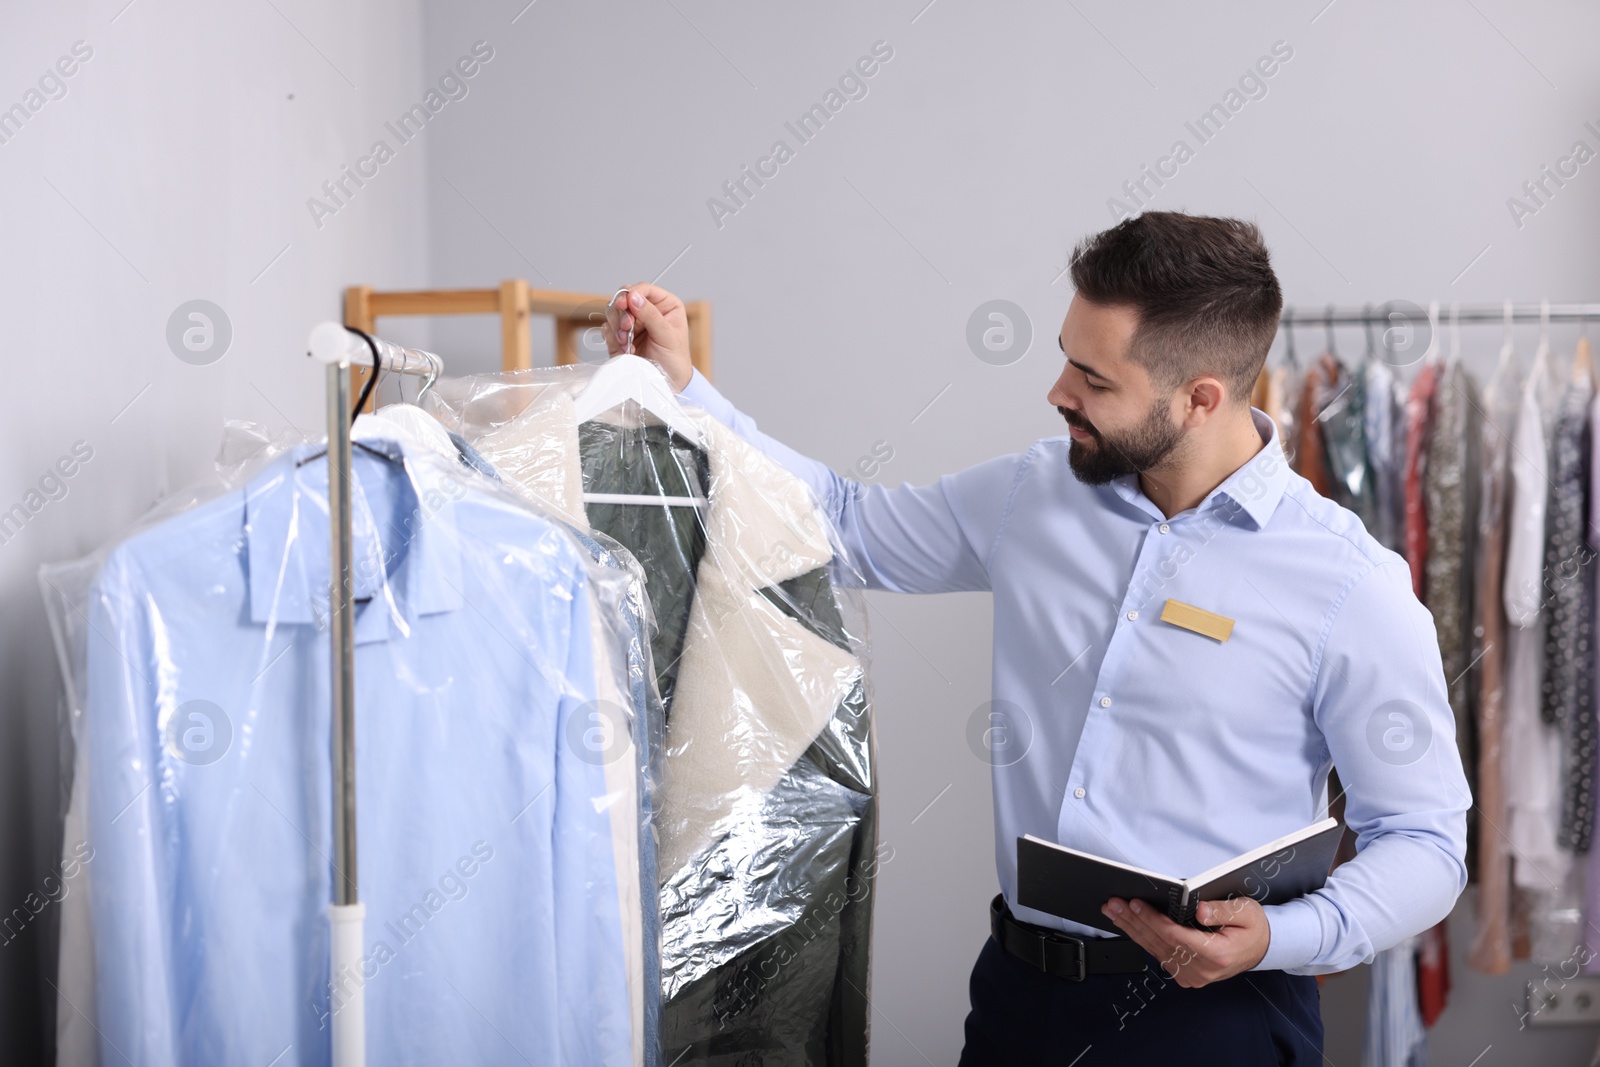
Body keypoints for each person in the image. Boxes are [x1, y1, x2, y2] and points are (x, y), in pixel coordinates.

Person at [603, 211, 1469, 1065]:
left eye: (1094, 379)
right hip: (1021, 1000)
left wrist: (1279, 933)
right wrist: (685, 390)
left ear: (1199, 397)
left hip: (1217, 1019)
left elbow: (1427, 843)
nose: (1058, 391)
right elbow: (841, 523)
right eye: (1066, 357)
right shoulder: (1033, 494)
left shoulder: (1351, 585)